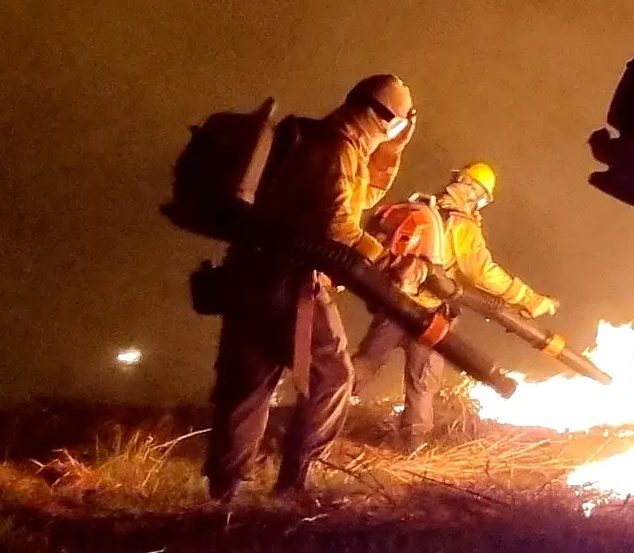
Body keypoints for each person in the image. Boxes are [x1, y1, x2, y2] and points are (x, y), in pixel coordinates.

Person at [203, 74, 413, 504]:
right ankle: (294, 482)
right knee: (333, 376)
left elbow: (357, 196)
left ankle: (224, 495)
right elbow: (338, 227)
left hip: (246, 276)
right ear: (384, 117)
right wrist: (383, 255)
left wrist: (390, 153)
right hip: (292, 284)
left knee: (248, 385)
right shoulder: (336, 150)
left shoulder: (317, 139)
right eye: (397, 124)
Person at [359, 160, 555, 447]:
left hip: (394, 304)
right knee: (422, 385)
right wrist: (529, 298)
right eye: (484, 200)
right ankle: (413, 452)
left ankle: (316, 411)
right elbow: (482, 272)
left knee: (362, 367)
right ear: (476, 192)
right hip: (430, 318)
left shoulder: (424, 210)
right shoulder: (461, 226)